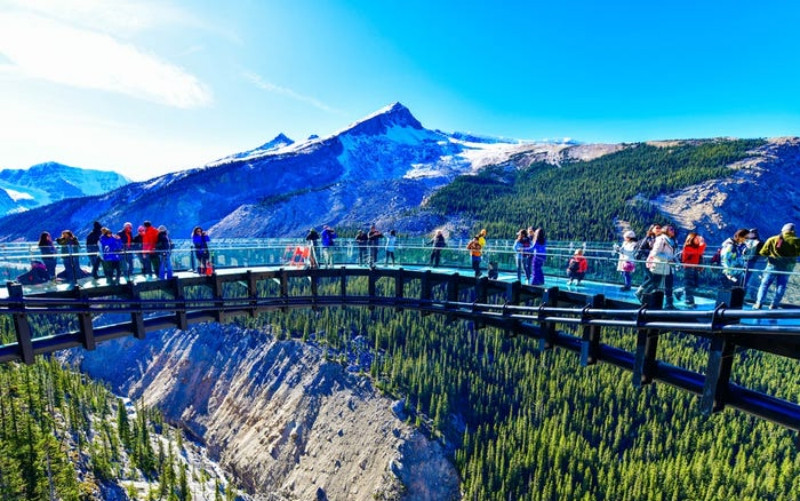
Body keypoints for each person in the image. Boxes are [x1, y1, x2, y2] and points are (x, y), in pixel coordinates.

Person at [754, 223, 800, 309]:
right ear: (793, 231)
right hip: (787, 268)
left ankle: (759, 303)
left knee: (765, 284)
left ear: (783, 230)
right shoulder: (797, 241)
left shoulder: (772, 239)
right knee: (781, 285)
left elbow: (763, 253)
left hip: (772, 265)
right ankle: (774, 305)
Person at [646, 224, 677, 309]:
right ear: (666, 230)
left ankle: (669, 304)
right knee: (656, 283)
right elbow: (655, 253)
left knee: (669, 284)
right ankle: (644, 296)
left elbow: (672, 254)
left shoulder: (671, 241)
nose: (673, 231)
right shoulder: (661, 239)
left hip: (668, 266)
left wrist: (675, 261)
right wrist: (668, 259)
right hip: (661, 265)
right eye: (671, 229)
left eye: (673, 229)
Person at [634, 224, 663, 301]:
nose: (659, 229)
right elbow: (650, 246)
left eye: (660, 228)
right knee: (651, 278)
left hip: (652, 260)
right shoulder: (650, 237)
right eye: (657, 228)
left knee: (649, 278)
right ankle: (639, 292)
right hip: (646, 259)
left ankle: (643, 296)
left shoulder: (657, 237)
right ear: (652, 229)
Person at [680, 231, 706, 307]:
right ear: (691, 239)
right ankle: (689, 302)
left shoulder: (696, 248)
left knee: (693, 285)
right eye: (696, 239)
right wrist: (702, 243)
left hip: (694, 268)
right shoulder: (687, 247)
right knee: (689, 285)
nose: (698, 240)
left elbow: (699, 254)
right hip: (688, 268)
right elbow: (699, 252)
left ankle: (680, 292)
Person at [743, 228, 764, 299]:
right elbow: (763, 253)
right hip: (755, 263)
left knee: (743, 279)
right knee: (748, 280)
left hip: (743, 261)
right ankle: (744, 295)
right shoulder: (759, 242)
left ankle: (739, 296)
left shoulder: (745, 241)